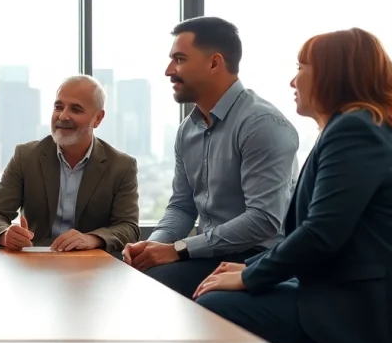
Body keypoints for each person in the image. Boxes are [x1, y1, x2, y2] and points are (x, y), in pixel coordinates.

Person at [195, 28, 392, 343]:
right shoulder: (352, 127)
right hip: (345, 292)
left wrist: (251, 276)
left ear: (334, 73)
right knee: (215, 295)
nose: (293, 82)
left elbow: (321, 234)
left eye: (301, 68)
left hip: (366, 310)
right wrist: (251, 269)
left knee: (215, 306)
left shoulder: (356, 130)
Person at [122, 17, 298, 297]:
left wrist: (178, 250)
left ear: (215, 63)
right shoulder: (187, 130)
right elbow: (181, 207)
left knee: (153, 287)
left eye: (179, 59)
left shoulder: (261, 124)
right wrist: (152, 247)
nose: (169, 70)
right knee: (137, 277)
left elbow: (264, 219)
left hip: (256, 259)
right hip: (209, 255)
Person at [0, 75, 139, 254]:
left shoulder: (122, 166)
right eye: (58, 107)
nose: (63, 116)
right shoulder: (26, 156)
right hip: (35, 263)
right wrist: (4, 234)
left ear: (98, 118)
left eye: (76, 109)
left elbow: (129, 228)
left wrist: (91, 239)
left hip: (89, 267)